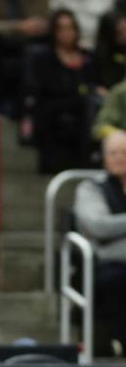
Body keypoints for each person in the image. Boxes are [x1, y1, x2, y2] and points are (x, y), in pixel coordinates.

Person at [24, 8, 99, 172]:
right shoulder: (44, 58)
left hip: (82, 110)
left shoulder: (87, 56)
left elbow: (94, 82)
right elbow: (42, 89)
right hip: (52, 110)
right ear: (54, 31)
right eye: (62, 28)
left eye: (70, 28)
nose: (67, 33)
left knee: (90, 105)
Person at [73, 130, 126, 354]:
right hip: (103, 264)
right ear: (104, 158)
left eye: (124, 152)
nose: (119, 157)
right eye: (113, 153)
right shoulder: (91, 189)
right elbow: (99, 226)